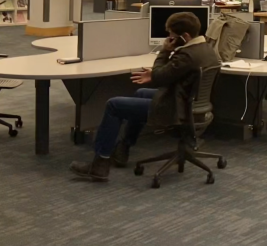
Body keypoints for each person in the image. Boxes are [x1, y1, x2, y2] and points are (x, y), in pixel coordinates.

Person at [70, 12, 220, 182]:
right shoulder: (206, 48)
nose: (169, 38)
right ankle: (123, 149)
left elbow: (159, 78)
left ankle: (99, 165)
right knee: (140, 93)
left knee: (113, 105)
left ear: (185, 36)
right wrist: (158, 74)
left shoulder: (186, 56)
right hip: (187, 101)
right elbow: (167, 75)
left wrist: (164, 52)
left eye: (172, 35)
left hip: (176, 108)